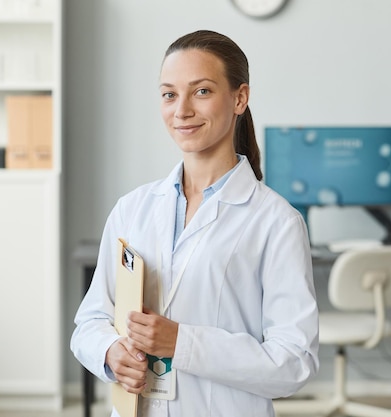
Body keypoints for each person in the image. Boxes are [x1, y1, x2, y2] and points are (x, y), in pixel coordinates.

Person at [70, 29, 319, 416]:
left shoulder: (276, 222)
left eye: (201, 91)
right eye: (169, 94)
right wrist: (109, 351)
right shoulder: (132, 208)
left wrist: (181, 342)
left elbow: (294, 361)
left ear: (240, 98)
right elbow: (90, 320)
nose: (181, 109)